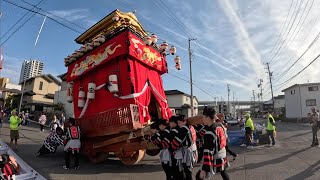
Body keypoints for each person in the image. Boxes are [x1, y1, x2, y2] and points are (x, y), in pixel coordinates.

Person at [196, 107, 229, 180]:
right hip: (222, 154)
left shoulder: (209, 132)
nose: (202, 119)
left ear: (207, 117)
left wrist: (204, 169)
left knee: (199, 177)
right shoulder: (220, 125)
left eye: (203, 117)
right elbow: (218, 121)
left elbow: (208, 152)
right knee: (223, 172)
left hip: (216, 156)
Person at [171, 115, 197, 180]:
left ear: (184, 121)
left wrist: (172, 148)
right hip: (193, 149)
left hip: (188, 151)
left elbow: (177, 141)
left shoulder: (184, 129)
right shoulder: (191, 127)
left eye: (179, 122)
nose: (178, 124)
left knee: (187, 170)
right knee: (188, 169)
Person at [168, 115, 184, 180]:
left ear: (174, 123)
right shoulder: (180, 129)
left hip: (175, 153)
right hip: (181, 152)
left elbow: (168, 142)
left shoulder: (174, 131)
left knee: (175, 171)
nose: (169, 124)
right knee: (180, 170)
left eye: (170, 122)